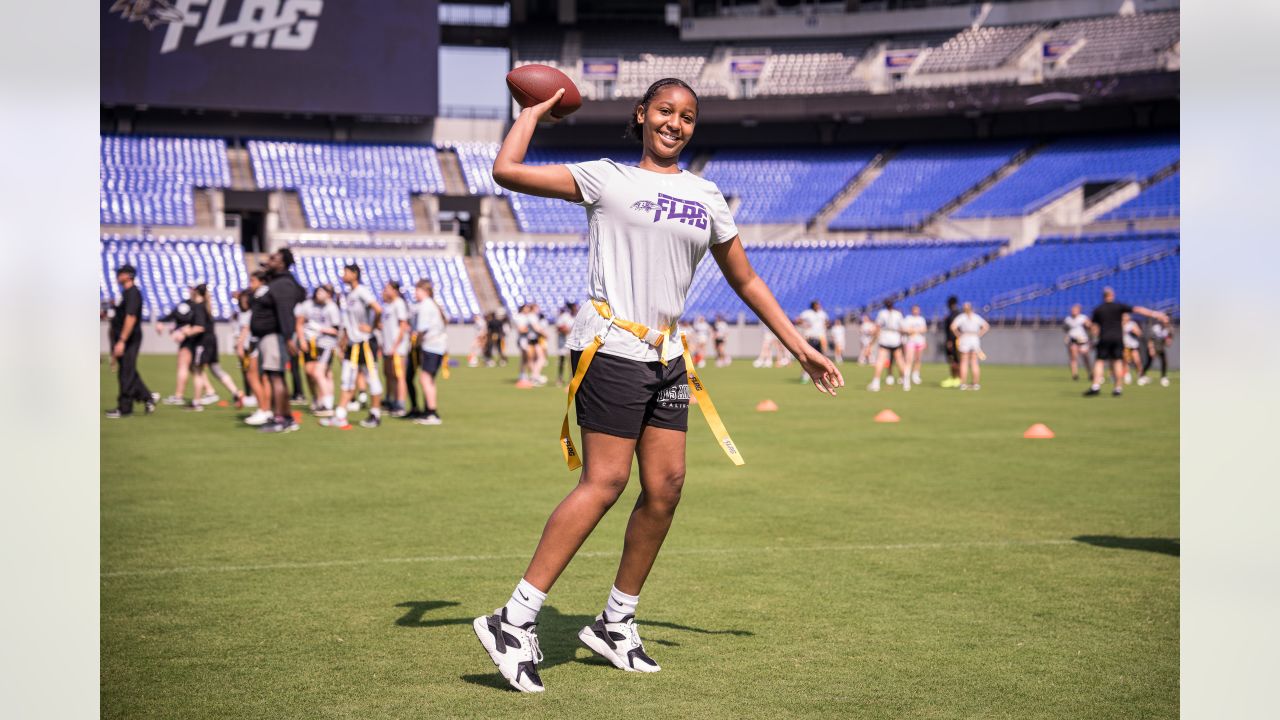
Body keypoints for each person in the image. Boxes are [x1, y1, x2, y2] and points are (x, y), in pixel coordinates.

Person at [471, 78, 842, 693]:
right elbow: (506, 170)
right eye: (665, 111)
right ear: (642, 115)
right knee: (607, 480)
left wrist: (797, 345)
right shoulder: (606, 178)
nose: (676, 123)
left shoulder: (706, 194)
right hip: (611, 342)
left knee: (666, 487)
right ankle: (514, 618)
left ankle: (616, 622)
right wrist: (534, 111)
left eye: (688, 117)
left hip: (667, 351)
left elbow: (746, 280)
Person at [321, 263, 385, 428]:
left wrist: (372, 326)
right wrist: (343, 342)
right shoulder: (349, 295)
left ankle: (375, 414)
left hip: (364, 342)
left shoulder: (361, 291)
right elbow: (349, 322)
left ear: (354, 274)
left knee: (371, 378)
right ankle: (340, 415)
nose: (343, 275)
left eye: (346, 272)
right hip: (353, 343)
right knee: (347, 378)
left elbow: (378, 309)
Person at [251, 249, 307, 432]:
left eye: (274, 258)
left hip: (275, 336)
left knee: (276, 377)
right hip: (271, 336)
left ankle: (280, 418)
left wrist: (289, 337)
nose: (270, 260)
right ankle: (286, 417)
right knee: (276, 376)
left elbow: (285, 312)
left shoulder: (283, 284)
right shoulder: (278, 281)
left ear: (283, 263)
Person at [1083, 287, 1170, 397]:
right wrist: (1156, 314)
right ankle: (1118, 388)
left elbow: (1093, 326)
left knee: (1100, 361)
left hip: (1104, 338)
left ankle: (1095, 386)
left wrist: (1091, 336)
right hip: (1118, 338)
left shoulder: (1098, 309)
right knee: (1118, 362)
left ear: (1103, 296)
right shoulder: (1118, 306)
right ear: (1112, 295)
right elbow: (1137, 309)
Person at [106, 264, 155, 418]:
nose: (117, 276)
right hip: (124, 337)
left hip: (129, 338)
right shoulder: (126, 293)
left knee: (126, 372)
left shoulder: (133, 293)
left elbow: (131, 317)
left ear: (128, 275)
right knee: (128, 370)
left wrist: (122, 340)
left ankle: (125, 408)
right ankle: (147, 397)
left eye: (120, 273)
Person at [188, 284, 245, 406]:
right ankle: (236, 393)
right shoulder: (206, 305)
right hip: (212, 340)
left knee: (197, 370)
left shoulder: (198, 306)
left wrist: (184, 332)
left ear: (196, 292)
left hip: (203, 342)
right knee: (215, 369)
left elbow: (199, 327)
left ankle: (196, 402)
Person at [295, 285, 341, 417]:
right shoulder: (308, 305)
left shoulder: (331, 307)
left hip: (326, 345)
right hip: (311, 344)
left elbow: (336, 330)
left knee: (320, 372)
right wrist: (302, 340)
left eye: (324, 292)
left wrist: (319, 328)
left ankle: (327, 403)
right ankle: (317, 399)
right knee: (310, 372)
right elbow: (299, 323)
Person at [412, 279, 448, 426]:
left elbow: (422, 329)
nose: (415, 293)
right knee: (429, 380)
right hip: (437, 346)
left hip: (431, 346)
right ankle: (429, 410)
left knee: (425, 379)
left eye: (417, 290)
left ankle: (432, 412)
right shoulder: (432, 305)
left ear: (425, 291)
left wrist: (416, 343)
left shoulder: (426, 306)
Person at [154, 291, 196, 405]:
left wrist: (181, 331)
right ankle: (210, 391)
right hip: (195, 339)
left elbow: (192, 322)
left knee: (183, 365)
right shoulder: (193, 305)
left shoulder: (193, 306)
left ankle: (179, 396)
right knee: (194, 368)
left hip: (190, 339)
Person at [380, 280, 412, 417]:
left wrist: (395, 346)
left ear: (395, 290)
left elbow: (403, 326)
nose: (385, 291)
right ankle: (390, 400)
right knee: (389, 374)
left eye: (387, 289)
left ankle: (400, 404)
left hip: (397, 348)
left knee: (399, 376)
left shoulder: (399, 304)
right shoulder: (387, 305)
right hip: (387, 347)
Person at [868, 300, 907, 392]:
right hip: (895, 338)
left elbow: (877, 328)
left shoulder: (882, 313)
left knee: (880, 360)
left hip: (885, 337)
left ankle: (876, 383)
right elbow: (902, 328)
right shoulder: (898, 314)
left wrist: (871, 342)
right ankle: (905, 382)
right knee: (900, 360)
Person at [950, 302, 989, 390]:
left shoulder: (962, 317)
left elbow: (952, 327)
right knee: (974, 362)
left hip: (965, 337)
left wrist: (958, 335)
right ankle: (975, 383)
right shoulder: (976, 317)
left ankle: (963, 383)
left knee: (964, 361)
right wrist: (979, 334)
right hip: (974, 338)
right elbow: (986, 326)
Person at [797, 300, 828, 384]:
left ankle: (822, 376)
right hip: (810, 336)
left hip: (820, 337)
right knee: (808, 358)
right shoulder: (807, 313)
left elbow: (826, 322)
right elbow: (798, 320)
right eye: (817, 305)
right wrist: (804, 324)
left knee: (821, 358)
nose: (819, 306)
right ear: (813, 305)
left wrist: (825, 327)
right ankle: (805, 375)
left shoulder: (822, 313)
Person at [1063, 304, 1091, 381]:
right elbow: (1065, 329)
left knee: (1085, 357)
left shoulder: (1083, 318)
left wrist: (1088, 325)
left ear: (1079, 310)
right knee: (1073, 357)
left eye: (1075, 310)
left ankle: (1090, 373)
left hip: (1083, 340)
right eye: (1072, 310)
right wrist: (1066, 337)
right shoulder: (1068, 319)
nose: (1073, 311)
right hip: (1073, 340)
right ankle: (1075, 374)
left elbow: (1089, 326)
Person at [901, 305, 928, 386]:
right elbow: (905, 329)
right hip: (911, 341)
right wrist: (914, 330)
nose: (916, 311)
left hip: (919, 341)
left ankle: (915, 374)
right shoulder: (908, 318)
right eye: (915, 310)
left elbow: (924, 329)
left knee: (918, 359)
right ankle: (906, 376)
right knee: (909, 359)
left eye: (917, 310)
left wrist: (915, 330)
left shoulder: (921, 319)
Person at [1144, 317, 1173, 387]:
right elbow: (1150, 340)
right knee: (1149, 363)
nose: (1166, 323)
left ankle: (1163, 377)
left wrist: (1168, 341)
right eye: (1165, 321)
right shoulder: (1156, 328)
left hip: (1160, 348)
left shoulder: (1168, 329)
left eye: (1167, 322)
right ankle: (1142, 375)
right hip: (1153, 347)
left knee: (1164, 361)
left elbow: (1168, 342)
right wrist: (1151, 349)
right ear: (1161, 321)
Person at [940, 296, 961, 388]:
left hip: (953, 341)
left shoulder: (954, 315)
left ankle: (957, 378)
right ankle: (954, 378)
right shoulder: (957, 314)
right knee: (954, 360)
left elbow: (952, 329)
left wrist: (950, 341)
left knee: (954, 360)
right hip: (956, 340)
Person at [555, 302, 578, 386]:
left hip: (572, 342)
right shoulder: (565, 316)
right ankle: (560, 378)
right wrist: (565, 329)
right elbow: (558, 327)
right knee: (562, 360)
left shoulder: (576, 317)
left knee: (571, 361)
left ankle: (571, 379)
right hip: (563, 341)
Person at [1122, 313, 1144, 385]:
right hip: (1125, 346)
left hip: (1133, 346)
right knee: (1126, 361)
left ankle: (1140, 376)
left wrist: (1135, 331)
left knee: (1137, 361)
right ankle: (1127, 375)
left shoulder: (1132, 324)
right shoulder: (1120, 324)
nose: (1126, 317)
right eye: (1124, 316)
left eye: (1127, 315)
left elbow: (1139, 333)